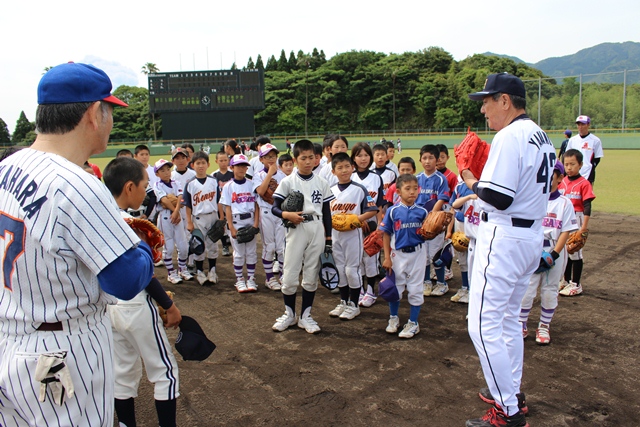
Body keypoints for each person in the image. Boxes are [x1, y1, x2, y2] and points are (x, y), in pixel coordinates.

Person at [0, 61, 153, 426]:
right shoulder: (76, 183)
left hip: (9, 337)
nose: (111, 121)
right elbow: (125, 280)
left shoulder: (8, 166)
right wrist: (141, 245)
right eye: (109, 111)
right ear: (91, 114)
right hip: (59, 352)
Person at [462, 72, 555, 426]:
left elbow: (499, 197)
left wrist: (469, 176)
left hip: (503, 239)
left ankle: (507, 412)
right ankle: (511, 392)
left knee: (482, 326)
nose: (483, 107)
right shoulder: (540, 134)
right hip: (529, 238)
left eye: (487, 100)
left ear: (505, 100)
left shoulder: (509, 135)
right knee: (507, 322)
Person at [103, 157, 182, 427]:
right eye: (144, 184)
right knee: (165, 372)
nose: (146, 190)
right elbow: (143, 275)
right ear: (128, 188)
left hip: (108, 309)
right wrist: (168, 305)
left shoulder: (99, 219)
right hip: (136, 306)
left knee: (122, 373)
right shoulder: (130, 225)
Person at [271, 139, 335, 334]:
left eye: (311, 158)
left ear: (317, 159)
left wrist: (328, 238)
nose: (308, 162)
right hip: (295, 228)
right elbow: (274, 206)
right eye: (303, 158)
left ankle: (306, 316)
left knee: (310, 275)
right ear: (295, 159)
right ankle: (289, 314)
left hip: (316, 227)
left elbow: (326, 212)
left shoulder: (321, 182)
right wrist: (286, 214)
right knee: (289, 276)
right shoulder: (288, 181)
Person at [519, 160, 578, 344]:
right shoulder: (532, 199)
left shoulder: (564, 203)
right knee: (526, 289)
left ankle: (544, 326)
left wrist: (553, 255)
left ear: (560, 178)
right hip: (532, 250)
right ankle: (521, 323)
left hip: (554, 250)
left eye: (551, 175)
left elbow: (566, 230)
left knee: (550, 290)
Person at [327, 153, 378, 320]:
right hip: (336, 234)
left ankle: (354, 304)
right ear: (333, 171)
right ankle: (343, 301)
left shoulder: (359, 189)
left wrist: (356, 219)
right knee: (340, 269)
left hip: (353, 235)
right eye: (339, 168)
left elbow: (372, 209)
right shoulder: (330, 190)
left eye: (347, 166)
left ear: (352, 168)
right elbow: (326, 214)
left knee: (352, 269)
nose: (344, 170)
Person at [380, 174, 429, 338]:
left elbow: (428, 233)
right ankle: (394, 318)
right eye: (408, 189)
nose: (412, 192)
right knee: (396, 288)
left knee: (415, 288)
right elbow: (386, 235)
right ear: (399, 192)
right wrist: (387, 257)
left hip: (418, 253)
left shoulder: (422, 212)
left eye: (415, 188)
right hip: (397, 255)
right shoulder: (393, 211)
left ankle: (413, 322)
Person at [351, 142, 385, 308]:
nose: (363, 159)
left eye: (366, 155)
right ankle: (361, 290)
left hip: (371, 223)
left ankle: (371, 290)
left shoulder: (376, 177)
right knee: (357, 259)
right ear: (354, 158)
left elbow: (378, 204)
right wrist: (358, 220)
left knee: (371, 258)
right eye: (359, 155)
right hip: (354, 223)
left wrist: (380, 226)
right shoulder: (350, 176)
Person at [558, 149, 596, 297]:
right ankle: (566, 280)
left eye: (572, 164)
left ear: (580, 165)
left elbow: (587, 206)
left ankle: (576, 284)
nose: (569, 167)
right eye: (566, 164)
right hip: (563, 218)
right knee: (565, 251)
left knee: (575, 252)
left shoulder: (584, 183)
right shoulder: (562, 182)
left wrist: (584, 227)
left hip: (577, 218)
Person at [220, 154, 260, 292]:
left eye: (244, 166)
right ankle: (239, 280)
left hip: (250, 220)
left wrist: (256, 224)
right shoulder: (228, 187)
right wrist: (231, 227)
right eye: (238, 166)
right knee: (238, 253)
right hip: (236, 221)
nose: (242, 168)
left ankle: (251, 279)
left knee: (251, 252)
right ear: (232, 167)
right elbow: (228, 208)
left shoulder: (251, 184)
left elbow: (256, 206)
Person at [416, 144, 450, 297]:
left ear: (436, 160)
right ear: (420, 160)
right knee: (423, 254)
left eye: (431, 158)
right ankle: (426, 282)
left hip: (435, 222)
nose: (427, 161)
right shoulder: (417, 179)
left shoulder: (440, 179)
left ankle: (442, 283)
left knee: (436, 254)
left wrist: (432, 215)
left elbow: (442, 198)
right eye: (424, 158)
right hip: (420, 222)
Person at [253, 143, 287, 290]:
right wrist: (269, 173)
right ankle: (269, 278)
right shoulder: (258, 175)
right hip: (265, 212)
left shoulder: (283, 176)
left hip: (279, 213)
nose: (271, 159)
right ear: (261, 159)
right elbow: (260, 191)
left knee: (282, 248)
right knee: (269, 247)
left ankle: (282, 276)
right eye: (267, 157)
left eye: (273, 156)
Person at [184, 151, 221, 285]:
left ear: (208, 164)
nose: (201, 166)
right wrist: (189, 222)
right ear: (192, 165)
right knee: (199, 245)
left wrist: (221, 218)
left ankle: (212, 270)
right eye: (198, 163)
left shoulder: (213, 181)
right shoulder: (190, 183)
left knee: (213, 246)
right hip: (198, 218)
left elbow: (219, 201)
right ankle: (200, 272)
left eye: (203, 163)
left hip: (212, 216)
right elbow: (187, 205)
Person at [154, 159, 192, 284]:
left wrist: (176, 211)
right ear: (157, 174)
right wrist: (175, 210)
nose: (166, 172)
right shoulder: (157, 185)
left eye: (168, 169)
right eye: (162, 170)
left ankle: (182, 269)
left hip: (177, 214)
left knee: (183, 245)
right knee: (168, 247)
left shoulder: (176, 183)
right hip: (165, 217)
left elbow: (181, 198)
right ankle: (171, 273)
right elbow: (164, 200)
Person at [448, 178, 478, 304]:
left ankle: (473, 291)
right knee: (462, 259)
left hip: (475, 225)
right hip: (460, 223)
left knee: (475, 261)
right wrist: (449, 230)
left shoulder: (481, 186)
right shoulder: (459, 186)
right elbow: (453, 208)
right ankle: (464, 287)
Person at [565, 115, 603, 184]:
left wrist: (590, 167)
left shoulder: (595, 140)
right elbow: (567, 156)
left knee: (587, 194)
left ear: (588, 125)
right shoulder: (572, 140)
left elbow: (597, 158)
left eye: (583, 124)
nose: (580, 127)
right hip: (573, 172)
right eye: (578, 124)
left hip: (588, 173)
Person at [213, 150, 234, 256]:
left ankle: (234, 245)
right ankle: (225, 246)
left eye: (225, 160)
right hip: (220, 204)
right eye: (221, 160)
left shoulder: (233, 173)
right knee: (222, 225)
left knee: (232, 224)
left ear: (229, 160)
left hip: (232, 204)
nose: (223, 162)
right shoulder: (214, 175)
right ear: (216, 161)